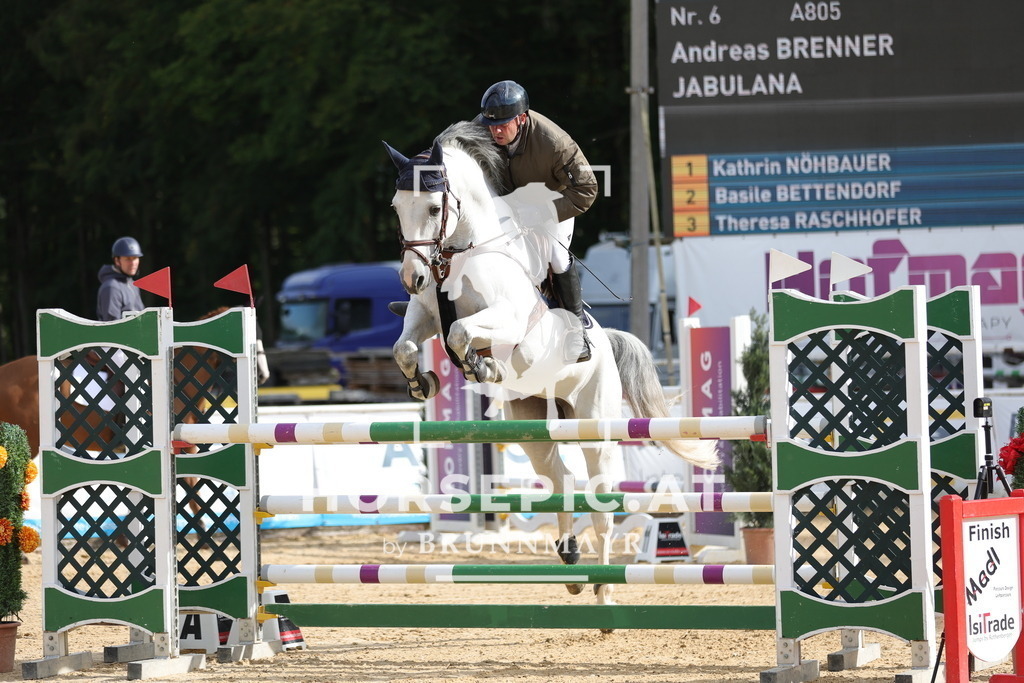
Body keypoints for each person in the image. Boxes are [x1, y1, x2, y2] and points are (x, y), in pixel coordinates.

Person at [478, 80, 598, 362]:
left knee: (557, 257)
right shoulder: (481, 129)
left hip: (552, 205)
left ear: (521, 118)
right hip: (506, 207)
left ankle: (576, 332)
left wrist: (542, 213)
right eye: (491, 124)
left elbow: (587, 189)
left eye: (503, 125)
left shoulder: (555, 143)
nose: (495, 131)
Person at [97, 236, 145, 321]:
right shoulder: (111, 287)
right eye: (128, 259)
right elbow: (113, 326)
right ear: (117, 261)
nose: (133, 263)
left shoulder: (133, 285)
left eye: (135, 258)